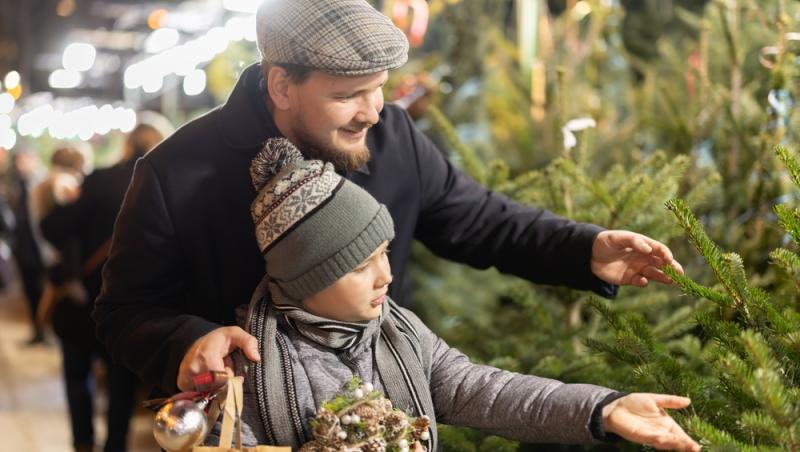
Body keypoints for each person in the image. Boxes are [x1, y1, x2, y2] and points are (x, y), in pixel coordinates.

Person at [94, 0, 685, 397]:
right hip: (242, 425)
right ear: (281, 85)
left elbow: (481, 220)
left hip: (375, 415)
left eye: (379, 90)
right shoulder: (173, 173)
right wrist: (187, 342)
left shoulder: (393, 137)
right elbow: (125, 313)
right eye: (349, 94)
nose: (373, 112)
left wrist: (585, 248)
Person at [204, 138, 701, 452]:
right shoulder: (247, 367)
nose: (385, 277)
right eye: (359, 266)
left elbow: (486, 391)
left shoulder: (400, 333)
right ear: (306, 277)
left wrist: (603, 409)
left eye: (385, 253)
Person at [41, 122, 167, 452]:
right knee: (121, 383)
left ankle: (83, 441)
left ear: (127, 144)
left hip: (83, 295)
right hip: (132, 303)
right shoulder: (166, 183)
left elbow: (53, 226)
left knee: (76, 373)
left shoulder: (99, 180)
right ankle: (115, 445)